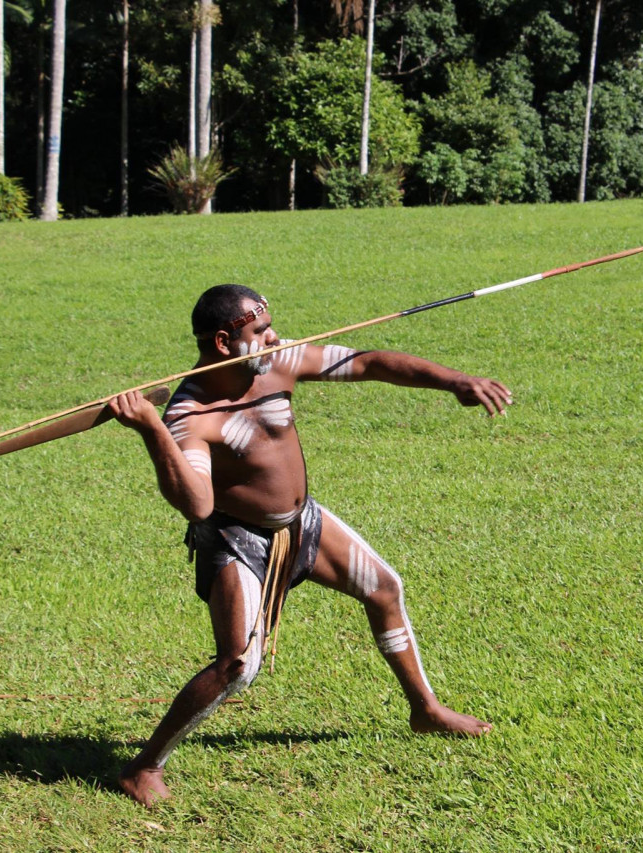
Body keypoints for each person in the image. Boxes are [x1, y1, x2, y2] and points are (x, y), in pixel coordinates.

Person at [109, 284, 511, 807]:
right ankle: (143, 767)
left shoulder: (277, 362)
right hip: (239, 542)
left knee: (385, 589)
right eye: (261, 331)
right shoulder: (189, 415)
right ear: (226, 342)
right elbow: (198, 506)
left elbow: (371, 364)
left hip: (303, 523)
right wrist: (150, 430)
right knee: (237, 665)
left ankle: (425, 710)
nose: (274, 337)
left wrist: (454, 381)